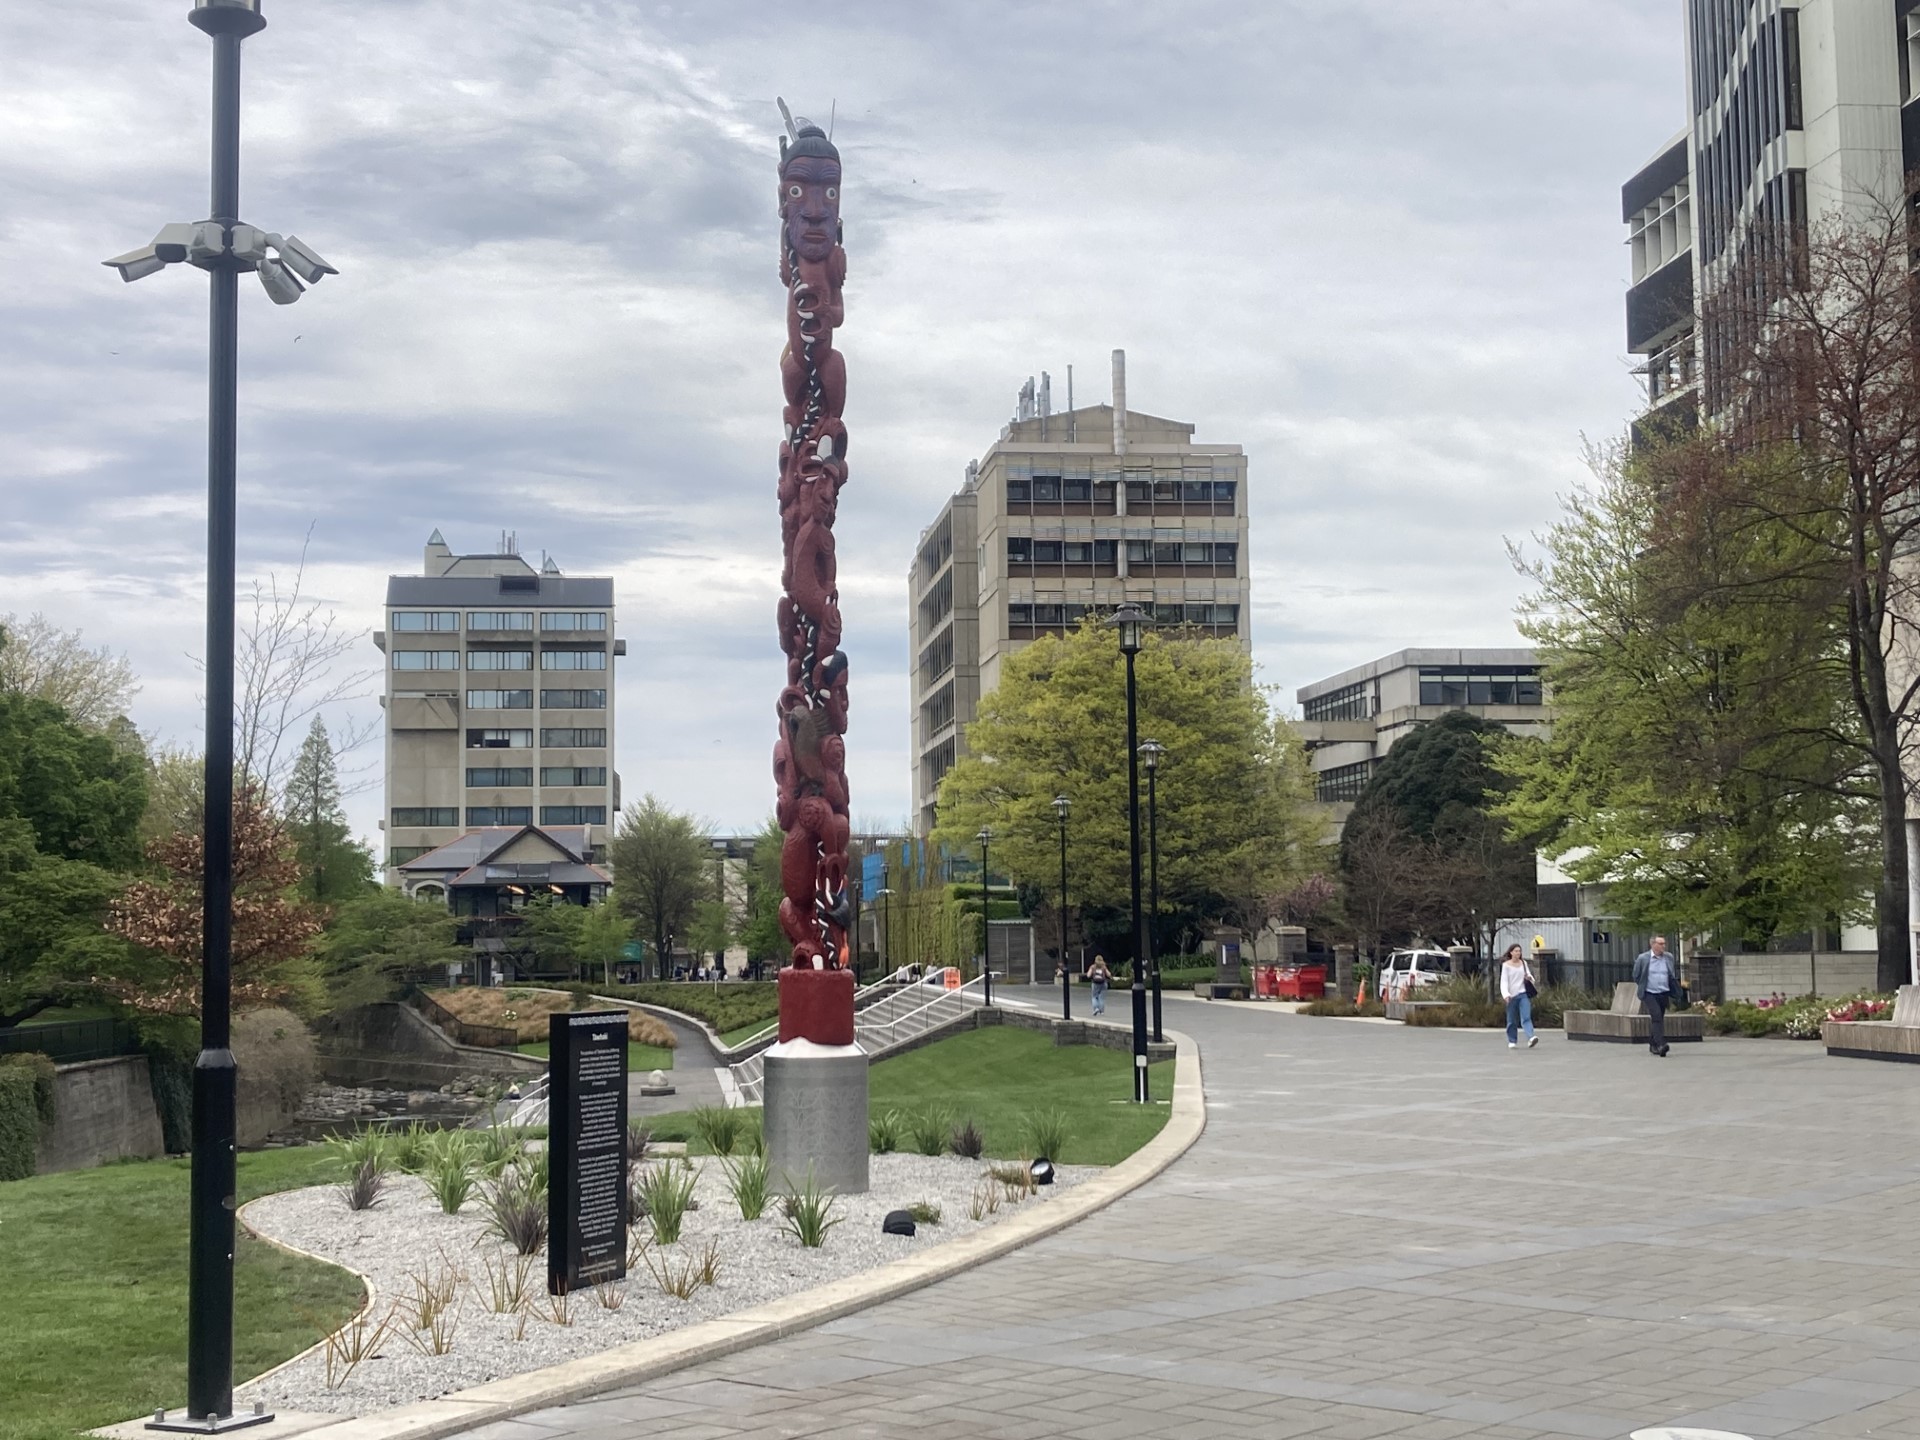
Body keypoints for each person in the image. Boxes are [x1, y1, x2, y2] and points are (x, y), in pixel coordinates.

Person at [1633, 935, 1678, 1057]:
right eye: (1660, 943)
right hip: (1649, 993)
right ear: (1653, 945)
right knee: (1656, 1016)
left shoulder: (1668, 957)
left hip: (1663, 992)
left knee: (1659, 1018)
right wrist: (1644, 986)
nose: (1663, 946)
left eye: (1664, 943)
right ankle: (1660, 1044)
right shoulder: (1643, 958)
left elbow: (1671, 974)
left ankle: (1652, 1044)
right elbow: (1636, 975)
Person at [1497, 943, 1538, 1050]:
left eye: (1519, 951)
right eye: (1516, 951)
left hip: (1523, 994)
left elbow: (1529, 975)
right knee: (1511, 1020)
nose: (1518, 953)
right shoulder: (1506, 965)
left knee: (1526, 1017)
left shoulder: (1523, 963)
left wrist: (1529, 978)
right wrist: (1506, 995)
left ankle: (1531, 1037)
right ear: (1511, 952)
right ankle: (1512, 1040)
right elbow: (1504, 982)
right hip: (1511, 996)